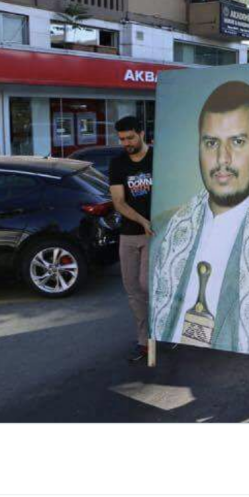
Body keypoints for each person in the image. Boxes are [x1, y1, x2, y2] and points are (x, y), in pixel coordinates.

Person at [150, 81, 249, 359]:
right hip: (174, 364)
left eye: (238, 142)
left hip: (240, 376)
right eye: (211, 143)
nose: (222, 159)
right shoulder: (165, 228)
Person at [109, 116, 155, 363]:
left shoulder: (156, 158)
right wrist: (141, 220)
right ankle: (144, 341)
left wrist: (152, 223)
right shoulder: (118, 163)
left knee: (147, 284)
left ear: (141, 134)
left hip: (154, 234)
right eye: (122, 139)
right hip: (129, 233)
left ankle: (164, 330)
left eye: (130, 137)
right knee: (133, 290)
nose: (126, 143)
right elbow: (118, 201)